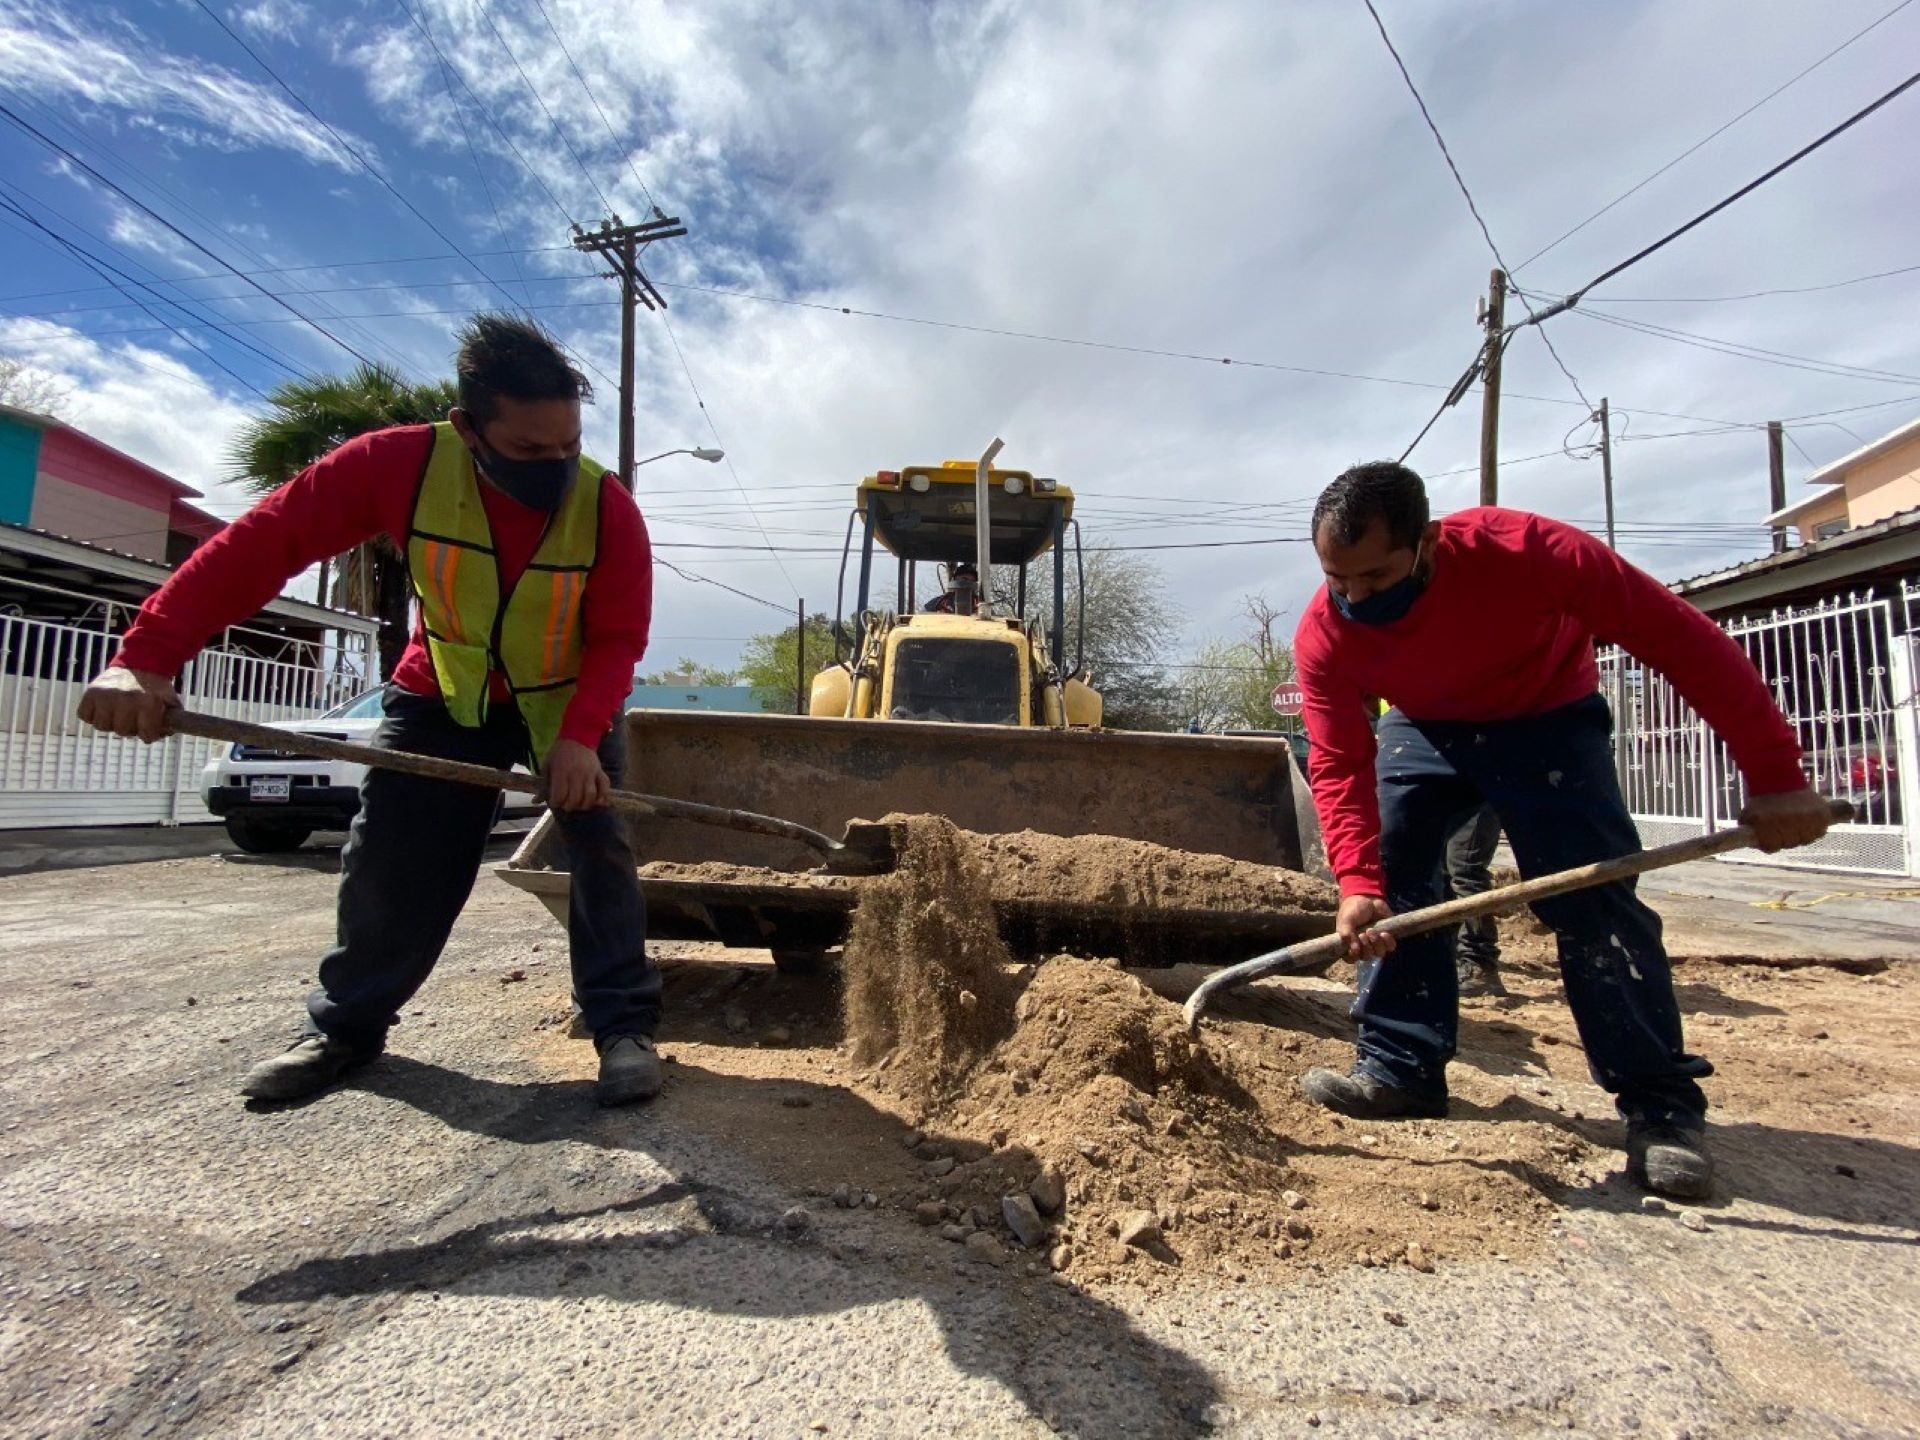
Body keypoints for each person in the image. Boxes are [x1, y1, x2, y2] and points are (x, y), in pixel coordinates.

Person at [78, 314, 664, 1108]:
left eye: (567, 446)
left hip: (568, 704)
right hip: (443, 692)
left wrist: (577, 739)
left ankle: (623, 1029)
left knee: (598, 850)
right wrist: (143, 660)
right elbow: (263, 545)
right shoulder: (395, 466)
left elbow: (620, 636)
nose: (555, 466)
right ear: (469, 428)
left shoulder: (609, 507)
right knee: (394, 858)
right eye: (529, 450)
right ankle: (345, 1029)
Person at [1292, 461, 1832, 1198]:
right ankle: (1399, 1067)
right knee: (1395, 876)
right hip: (1426, 725)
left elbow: (1683, 644)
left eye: (1375, 579)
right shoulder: (1326, 630)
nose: (1354, 597)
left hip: (1545, 716)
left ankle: (1660, 1107)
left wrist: (1776, 776)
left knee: (1594, 900)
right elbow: (1338, 759)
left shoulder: (1534, 553)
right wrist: (1356, 882)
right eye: (1338, 579)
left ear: (1427, 544)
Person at [1445, 802, 1505, 997]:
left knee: (1466, 872)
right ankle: (1450, 954)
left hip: (1478, 795)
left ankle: (1480, 966)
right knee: (1443, 870)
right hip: (1447, 790)